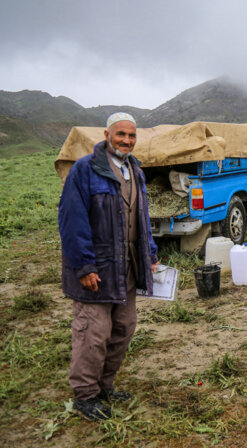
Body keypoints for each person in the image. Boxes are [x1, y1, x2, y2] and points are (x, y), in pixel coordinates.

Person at [58, 112, 159, 421]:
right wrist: (84, 266)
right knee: (93, 333)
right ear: (107, 135)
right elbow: (71, 221)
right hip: (97, 270)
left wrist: (151, 255)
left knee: (123, 328)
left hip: (127, 268)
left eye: (131, 135)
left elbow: (142, 217)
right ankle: (85, 396)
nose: (126, 140)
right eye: (121, 135)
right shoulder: (85, 170)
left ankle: (105, 386)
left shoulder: (135, 171)